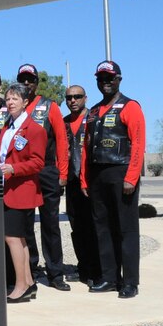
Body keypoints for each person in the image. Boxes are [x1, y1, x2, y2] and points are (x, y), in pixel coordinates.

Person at [82, 61, 145, 299]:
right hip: (97, 175)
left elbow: (138, 143)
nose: (105, 82)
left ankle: (130, 281)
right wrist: (85, 179)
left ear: (119, 79)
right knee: (103, 228)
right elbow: (86, 147)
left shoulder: (130, 107)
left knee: (126, 229)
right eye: (101, 78)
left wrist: (131, 177)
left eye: (109, 78)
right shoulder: (94, 111)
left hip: (121, 174)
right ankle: (109, 277)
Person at [16, 63, 70, 290]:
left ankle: (56, 273)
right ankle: (31, 269)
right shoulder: (14, 108)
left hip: (47, 172)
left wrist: (63, 173)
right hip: (24, 173)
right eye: (23, 79)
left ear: (37, 82)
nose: (27, 83)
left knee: (50, 224)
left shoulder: (50, 107)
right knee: (25, 225)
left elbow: (61, 140)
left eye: (31, 79)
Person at [0, 83, 46, 303]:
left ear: (26, 102)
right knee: (21, 240)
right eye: (8, 99)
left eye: (15, 99)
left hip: (22, 191)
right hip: (7, 190)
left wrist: (14, 169)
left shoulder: (34, 129)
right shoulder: (8, 128)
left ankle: (19, 286)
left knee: (13, 239)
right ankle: (28, 282)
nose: (10, 102)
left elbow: (37, 162)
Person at [63, 84, 100, 286]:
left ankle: (98, 269)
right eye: (69, 98)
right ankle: (83, 267)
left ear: (85, 98)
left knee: (94, 225)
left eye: (77, 97)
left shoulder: (94, 119)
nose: (73, 101)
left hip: (92, 181)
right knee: (77, 226)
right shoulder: (64, 122)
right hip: (71, 181)